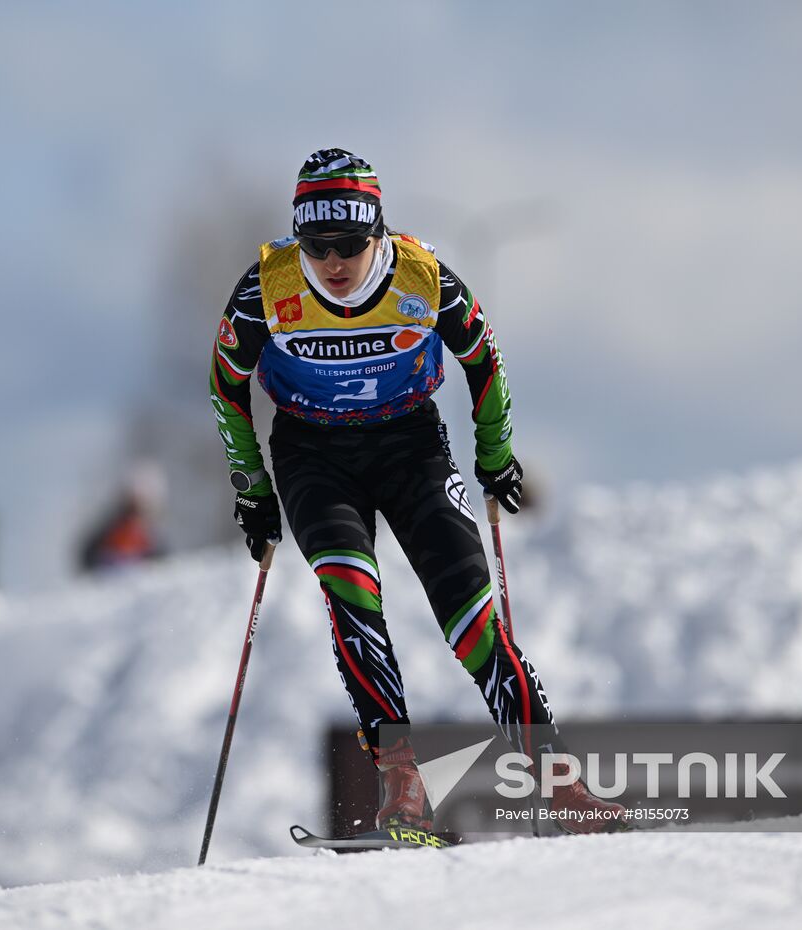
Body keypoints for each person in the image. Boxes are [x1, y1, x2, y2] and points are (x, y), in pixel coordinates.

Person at [208, 148, 626, 835]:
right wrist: (253, 487)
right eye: (317, 246)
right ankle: (401, 780)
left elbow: (482, 358)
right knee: (352, 595)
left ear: (380, 234)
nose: (334, 263)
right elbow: (225, 383)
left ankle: (562, 786)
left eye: (350, 244)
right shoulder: (267, 287)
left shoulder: (424, 278)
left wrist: (494, 455)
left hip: (411, 447)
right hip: (314, 454)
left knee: (470, 620)